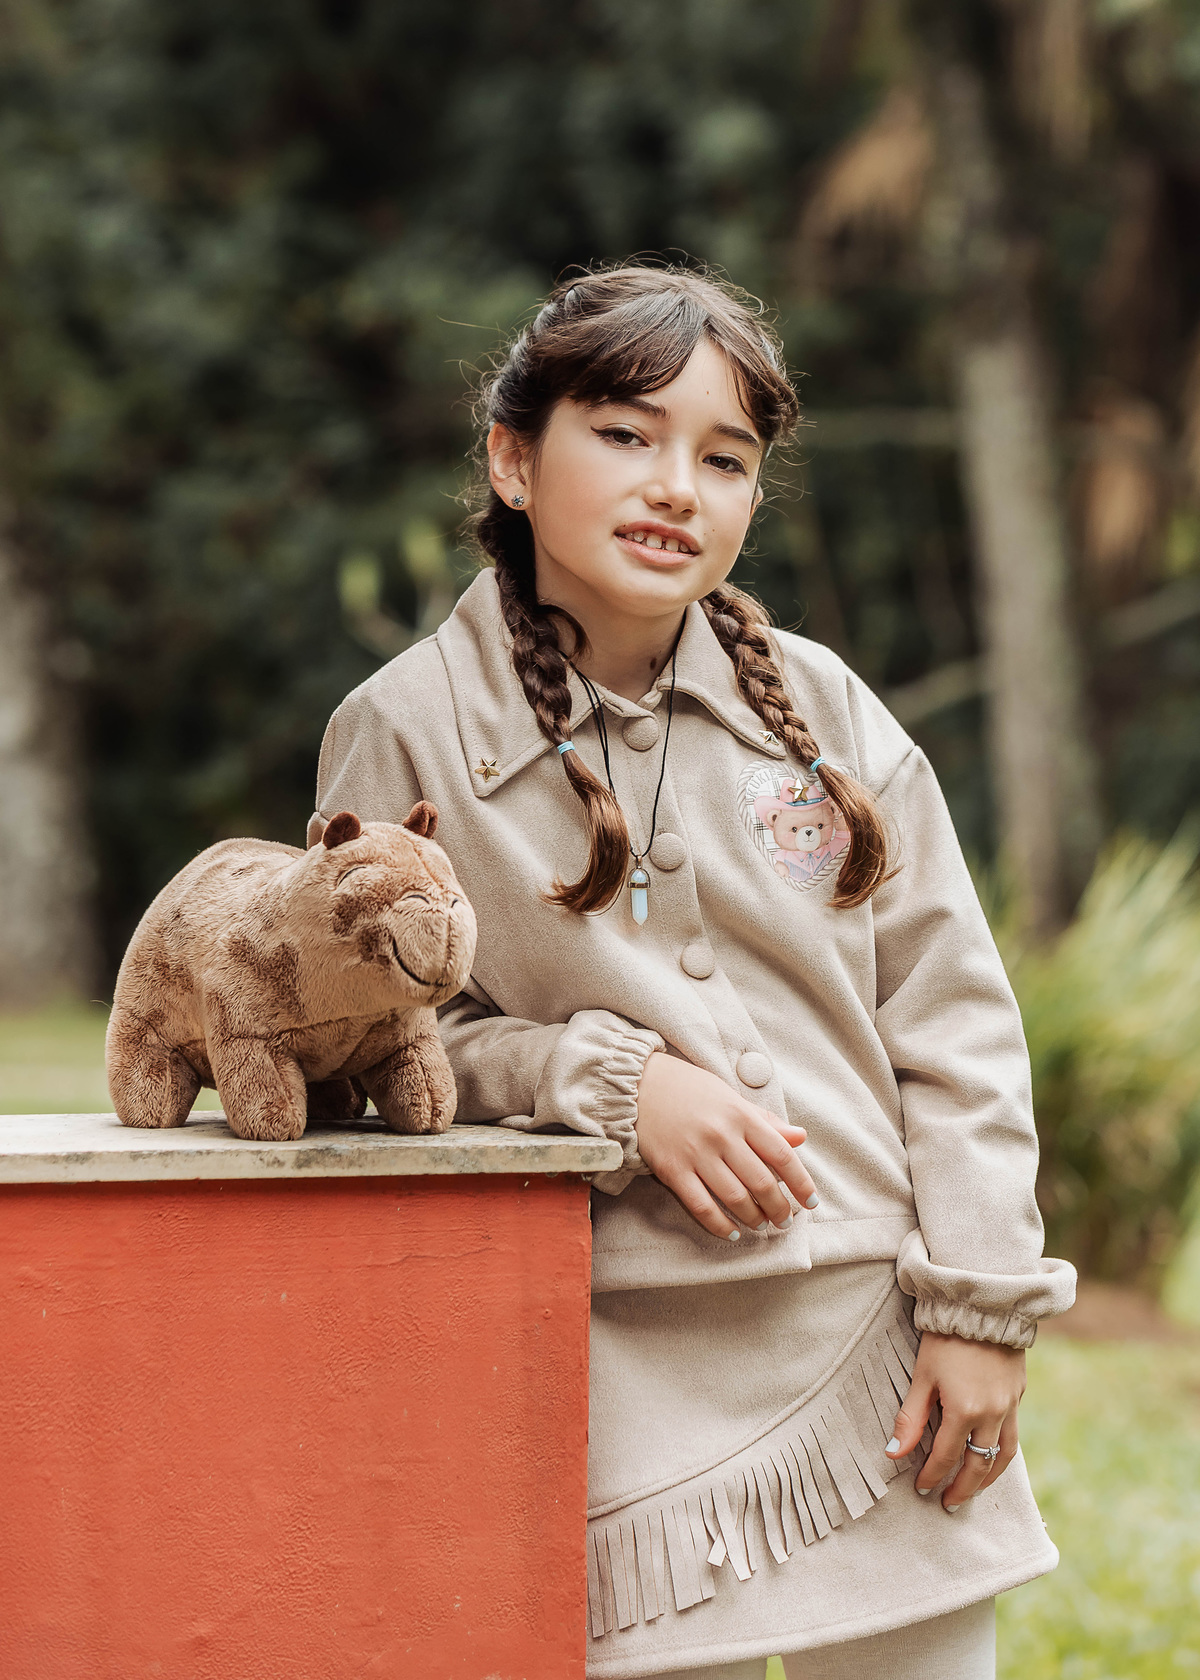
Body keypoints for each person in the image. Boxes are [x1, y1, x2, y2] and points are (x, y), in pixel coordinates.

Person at [312, 264, 1076, 1680]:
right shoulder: (402, 727)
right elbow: (374, 1053)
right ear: (513, 457)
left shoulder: (830, 707)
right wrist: (607, 1080)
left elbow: (957, 1018)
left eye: (724, 459)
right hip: (618, 1371)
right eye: (625, 433)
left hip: (883, 1349)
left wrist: (979, 1308)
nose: (677, 487)